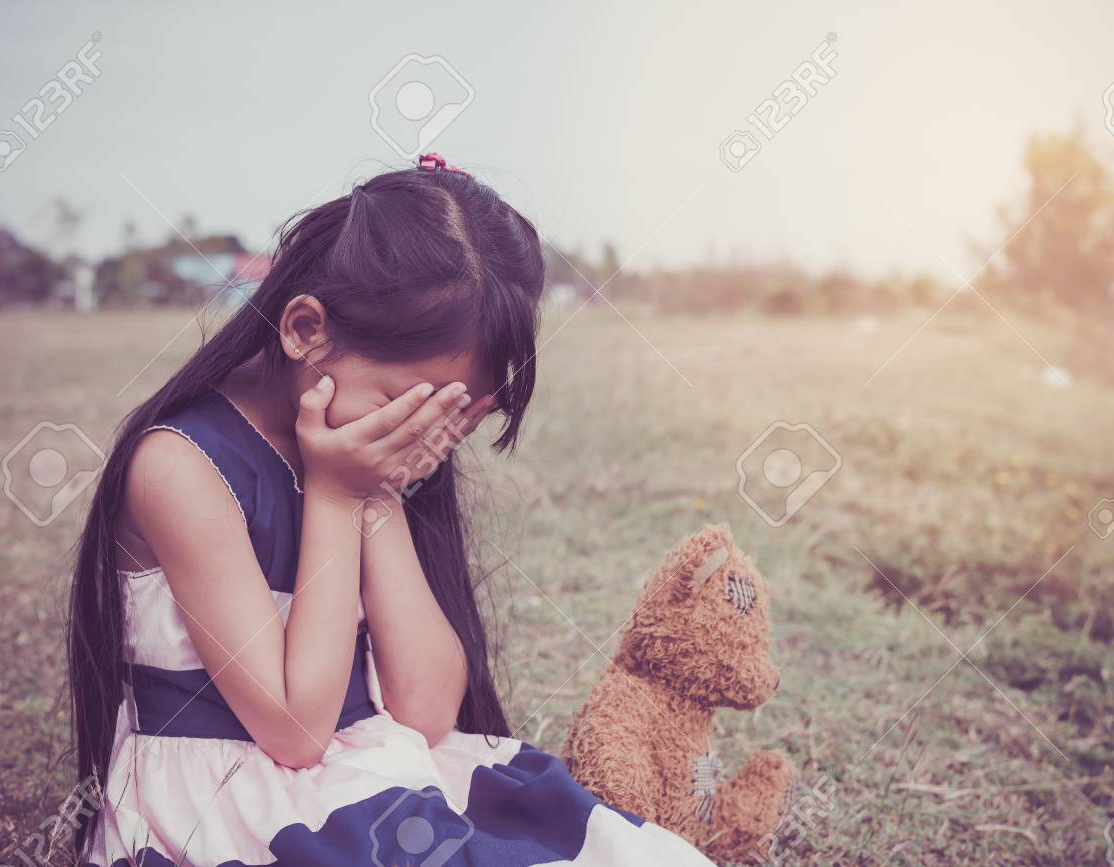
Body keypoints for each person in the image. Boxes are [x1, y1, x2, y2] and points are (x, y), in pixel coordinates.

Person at [68, 155, 713, 865]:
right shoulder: (181, 467)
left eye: (447, 414)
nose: (418, 433)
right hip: (235, 799)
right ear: (305, 329)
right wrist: (339, 493)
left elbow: (428, 710)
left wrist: (376, 495)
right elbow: (295, 729)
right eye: (403, 406)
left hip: (370, 763)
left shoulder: (357, 459)